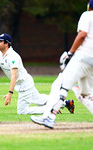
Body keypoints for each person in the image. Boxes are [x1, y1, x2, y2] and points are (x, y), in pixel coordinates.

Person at [0, 33, 73, 115]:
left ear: (6, 44)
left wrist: (10, 93)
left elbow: (14, 76)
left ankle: (51, 109)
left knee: (22, 111)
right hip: (23, 83)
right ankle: (64, 103)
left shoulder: (13, 56)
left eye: (0, 41)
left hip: (24, 83)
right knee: (39, 99)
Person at [30, 0, 93, 128]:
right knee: (86, 94)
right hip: (91, 63)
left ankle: (49, 117)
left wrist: (70, 53)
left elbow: (82, 35)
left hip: (82, 58)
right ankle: (48, 116)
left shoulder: (87, 15)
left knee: (61, 86)